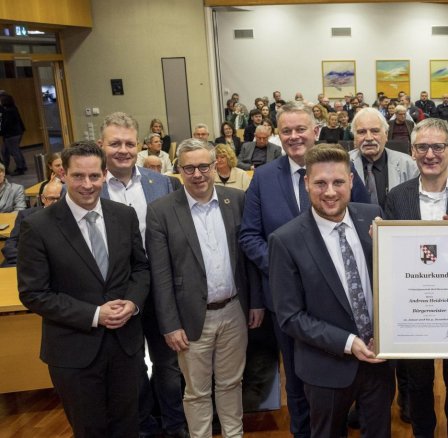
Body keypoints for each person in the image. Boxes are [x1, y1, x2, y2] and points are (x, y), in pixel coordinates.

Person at [240, 101, 369, 438]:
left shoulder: (342, 171)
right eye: (287, 131)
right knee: (297, 383)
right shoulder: (264, 177)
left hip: (343, 302)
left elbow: (367, 222)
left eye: (301, 129)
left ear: (315, 130)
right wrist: (289, 270)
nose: (294, 136)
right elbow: (249, 235)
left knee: (347, 373)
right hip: (289, 304)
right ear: (277, 136)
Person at [18, 141, 150, 437]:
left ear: (105, 175)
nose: (87, 184)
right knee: (90, 431)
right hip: (73, 351)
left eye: (94, 176)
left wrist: (132, 302)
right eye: (78, 176)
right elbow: (33, 293)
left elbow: (140, 268)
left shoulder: (123, 215)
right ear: (63, 175)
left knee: (128, 427)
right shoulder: (38, 226)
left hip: (125, 346)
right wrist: (94, 314)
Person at [270, 145, 393, 438]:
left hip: (379, 360)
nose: (329, 192)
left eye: (338, 182)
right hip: (326, 368)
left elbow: (398, 280)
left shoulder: (373, 218)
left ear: (351, 181)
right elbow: (290, 317)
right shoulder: (285, 240)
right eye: (320, 183)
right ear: (306, 184)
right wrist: (349, 342)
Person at [147, 139, 264, 438]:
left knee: (231, 384)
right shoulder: (161, 211)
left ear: (215, 166)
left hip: (234, 311)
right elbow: (160, 275)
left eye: (203, 166)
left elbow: (249, 260)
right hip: (189, 319)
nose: (197, 174)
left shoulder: (236, 200)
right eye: (189, 168)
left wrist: (256, 303)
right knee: (196, 391)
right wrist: (170, 324)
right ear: (179, 170)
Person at [383, 118, 448, 438]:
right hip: (414, 309)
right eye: (422, 147)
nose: (430, 154)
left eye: (438, 147)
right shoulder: (396, 196)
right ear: (412, 151)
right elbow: (390, 259)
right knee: (418, 383)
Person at [97, 113, 182, 437]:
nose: (123, 150)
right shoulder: (92, 186)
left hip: (161, 290)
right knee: (131, 369)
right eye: (115, 143)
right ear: (102, 146)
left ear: (140, 146)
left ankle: (174, 426)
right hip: (118, 295)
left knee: (168, 365)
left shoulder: (160, 183)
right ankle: (145, 426)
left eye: (129, 143)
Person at [349, 107, 419, 208]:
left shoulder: (408, 165)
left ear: (386, 135)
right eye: (361, 132)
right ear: (354, 138)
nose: (369, 138)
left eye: (375, 131)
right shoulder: (342, 164)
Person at [2, 178, 61, 266]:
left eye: (59, 199)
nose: (56, 202)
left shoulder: (69, 217)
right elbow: (11, 243)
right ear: (43, 198)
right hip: (23, 260)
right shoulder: (25, 215)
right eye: (51, 198)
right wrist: (24, 260)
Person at [0, 92, 27, 175]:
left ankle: (20, 168)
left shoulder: (8, 111)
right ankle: (21, 166)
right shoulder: (12, 108)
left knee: (14, 151)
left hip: (11, 134)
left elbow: (6, 124)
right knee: (9, 150)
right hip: (15, 133)